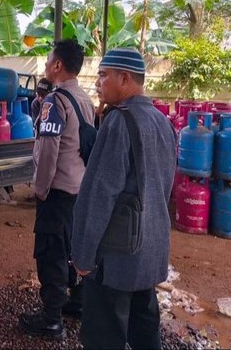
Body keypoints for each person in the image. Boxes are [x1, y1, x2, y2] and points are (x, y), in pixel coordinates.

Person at [71, 48, 177, 349]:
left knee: (104, 335)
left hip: (115, 257)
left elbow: (97, 196)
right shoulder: (162, 122)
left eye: (104, 75)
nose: (97, 82)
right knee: (145, 330)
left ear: (125, 78)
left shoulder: (119, 122)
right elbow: (163, 186)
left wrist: (82, 254)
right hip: (150, 249)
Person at [19, 39, 95, 340]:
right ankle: (76, 302)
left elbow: (49, 151)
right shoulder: (84, 99)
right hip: (78, 189)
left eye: (49, 59)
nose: (47, 63)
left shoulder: (55, 101)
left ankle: (51, 320)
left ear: (58, 65)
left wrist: (40, 190)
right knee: (74, 248)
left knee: (51, 252)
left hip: (58, 190)